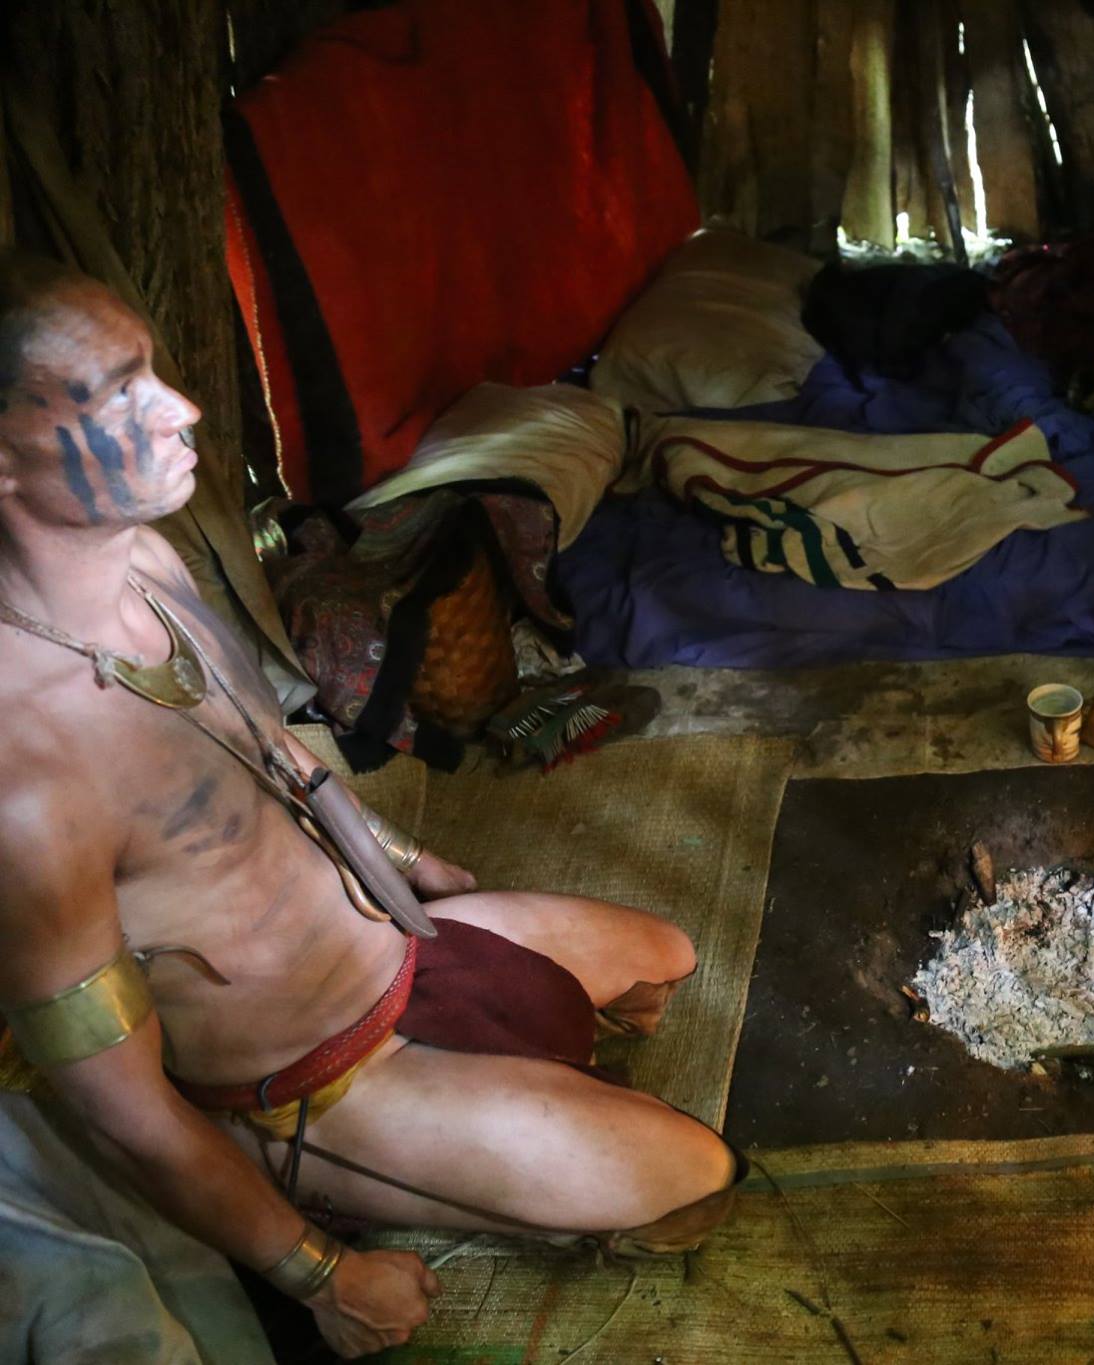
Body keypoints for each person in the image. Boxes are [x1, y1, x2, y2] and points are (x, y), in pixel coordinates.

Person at [0, 254, 740, 1358]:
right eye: (117, 394)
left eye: (150, 370)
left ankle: (486, 1106)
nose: (181, 408)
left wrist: (401, 852)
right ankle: (302, 1166)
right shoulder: (24, 780)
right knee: (694, 1182)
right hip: (312, 1078)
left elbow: (272, 751)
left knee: (664, 964)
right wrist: (322, 1275)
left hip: (392, 943)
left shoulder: (145, 558)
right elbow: (125, 1112)